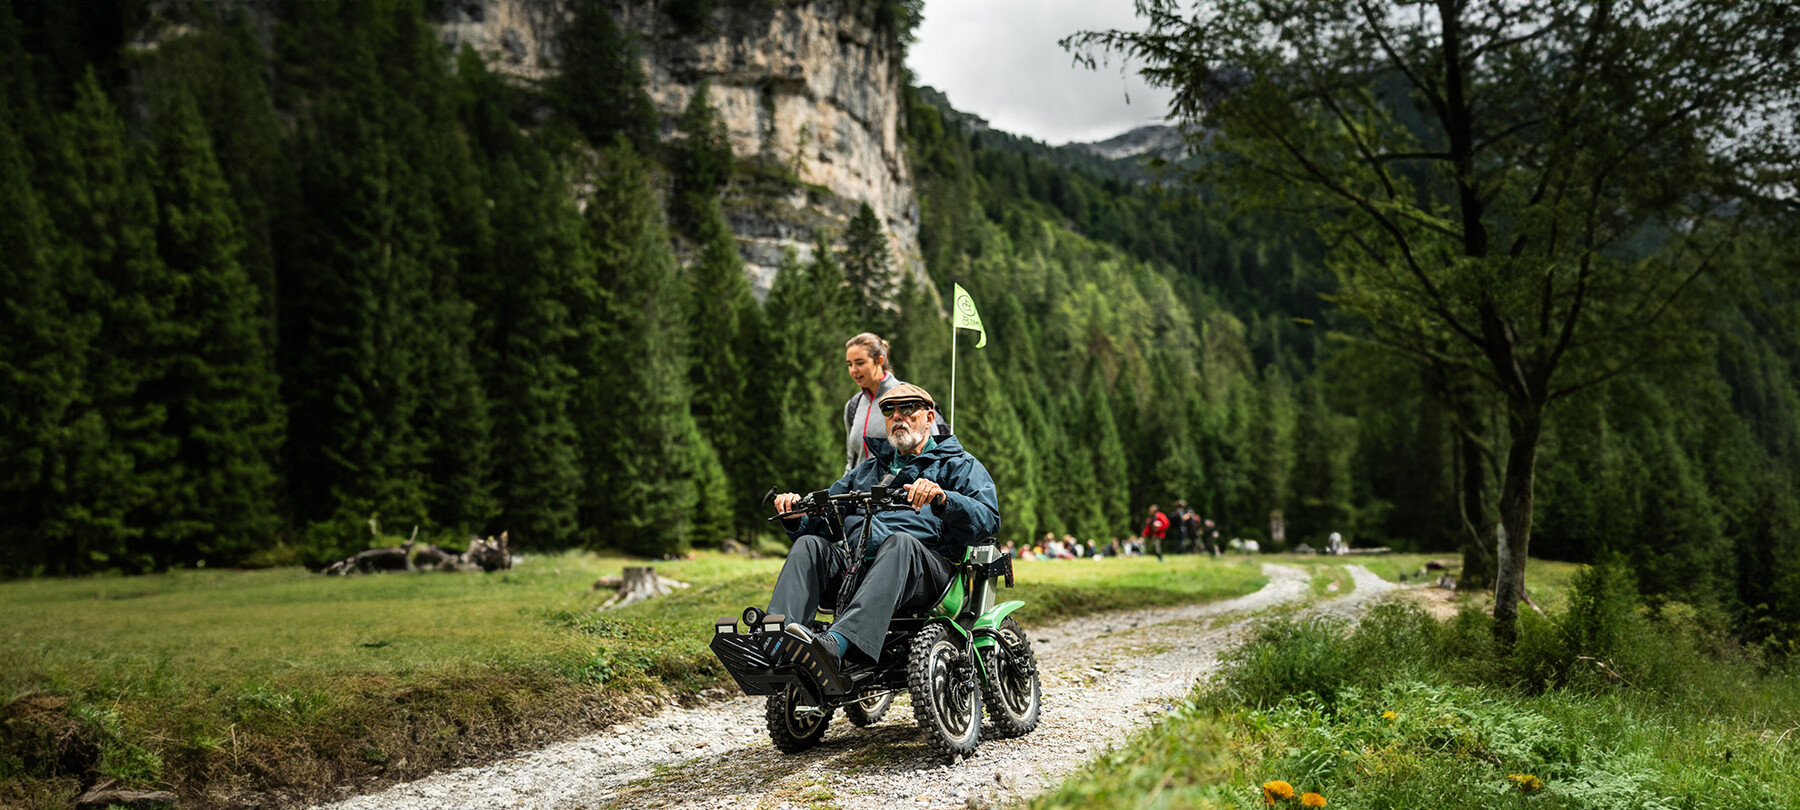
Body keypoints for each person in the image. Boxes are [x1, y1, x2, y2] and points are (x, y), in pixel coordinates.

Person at [767, 383, 1000, 673]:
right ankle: (777, 641)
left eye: (908, 409)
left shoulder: (958, 465)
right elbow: (824, 521)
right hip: (861, 569)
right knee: (809, 546)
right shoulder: (867, 471)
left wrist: (943, 498)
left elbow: (988, 518)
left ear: (929, 418)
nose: (897, 416)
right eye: (889, 410)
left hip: (928, 573)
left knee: (899, 543)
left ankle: (836, 645)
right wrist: (794, 514)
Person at [841, 333, 947, 475]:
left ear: (879, 361)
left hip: (903, 492)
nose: (853, 370)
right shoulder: (853, 406)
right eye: (850, 364)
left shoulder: (910, 397)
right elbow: (851, 462)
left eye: (860, 363)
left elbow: (935, 452)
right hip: (863, 494)